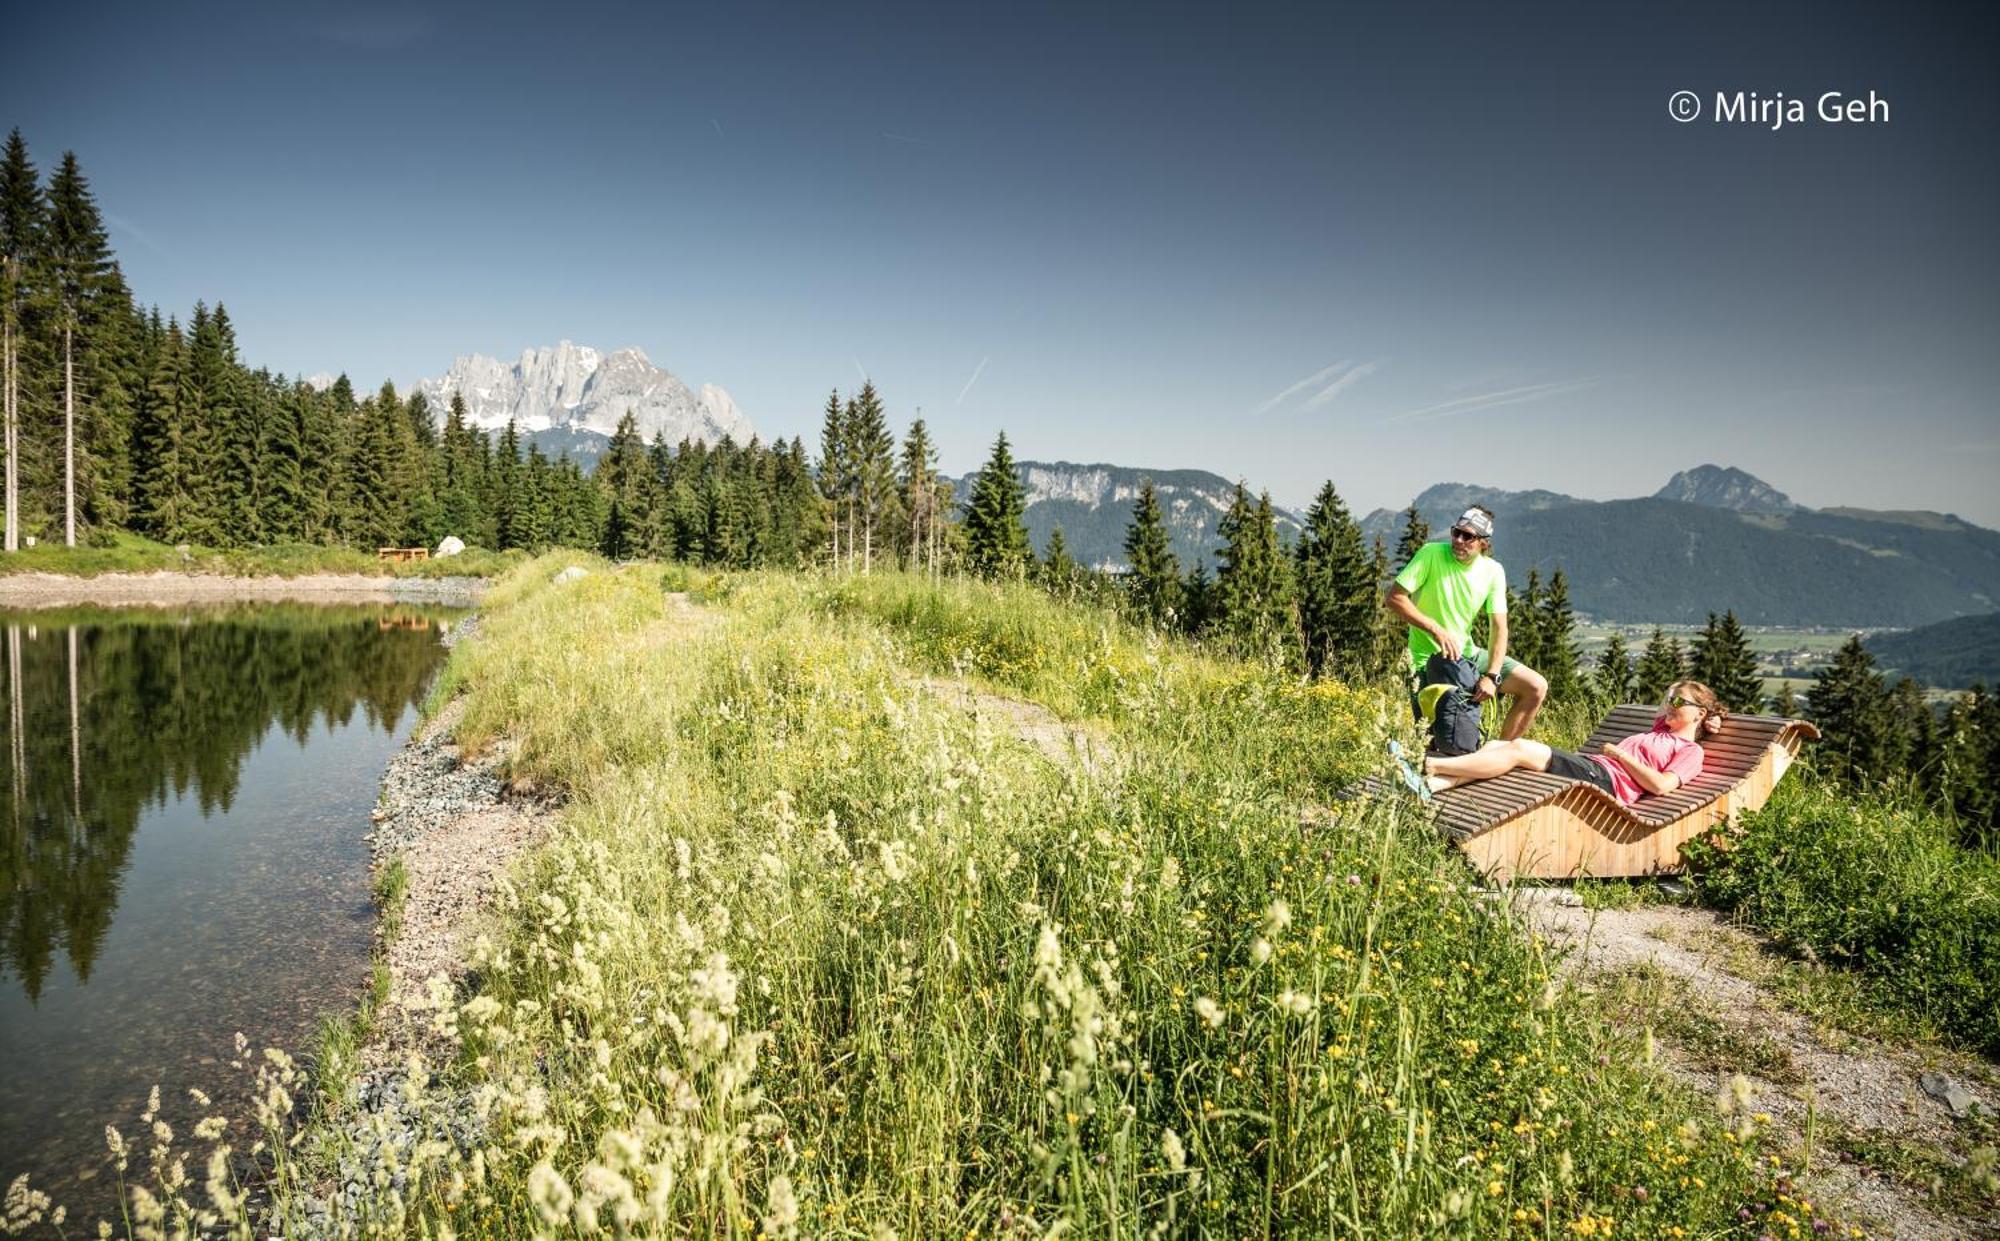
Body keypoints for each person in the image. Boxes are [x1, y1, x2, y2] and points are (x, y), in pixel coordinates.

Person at [1391, 680, 1725, 803]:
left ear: (1697, 713)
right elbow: (1687, 716)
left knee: (1519, 748)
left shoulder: (1690, 751)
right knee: (1496, 747)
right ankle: (1431, 787)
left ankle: (1428, 763)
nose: (1669, 705)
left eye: (1678, 702)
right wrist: (1712, 718)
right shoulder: (1661, 731)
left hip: (1608, 782)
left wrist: (1621, 757)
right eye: (1668, 699)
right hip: (1598, 768)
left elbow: (1662, 786)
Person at [1384, 505, 1548, 741]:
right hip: (1426, 662)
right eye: (1456, 532)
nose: (1459, 540)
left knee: (1535, 686)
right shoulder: (1430, 553)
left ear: (1484, 542)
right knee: (1439, 743)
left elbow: (1499, 627)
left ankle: (1499, 755)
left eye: (1468, 536)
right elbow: (1394, 598)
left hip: (1468, 656)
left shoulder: (1493, 571)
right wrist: (1436, 629)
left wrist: (1492, 676)